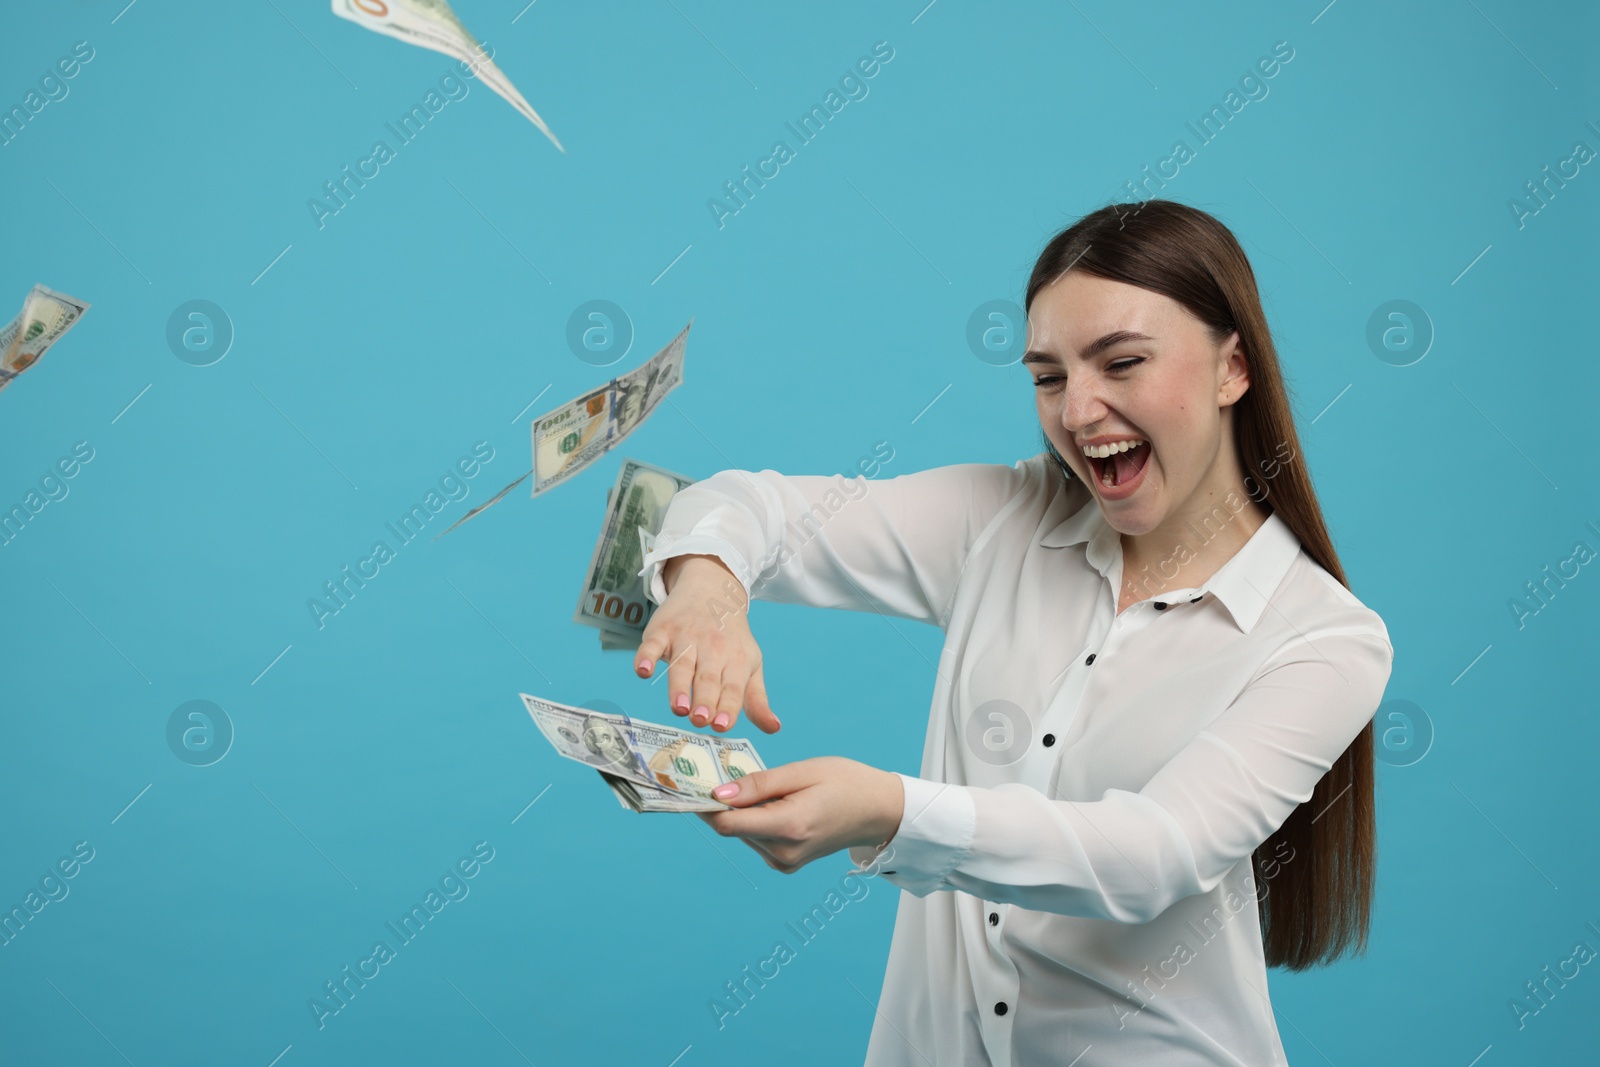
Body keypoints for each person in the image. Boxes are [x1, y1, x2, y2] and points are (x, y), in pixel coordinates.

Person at [632, 199, 1394, 1066]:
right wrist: (708, 590)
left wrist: (890, 809)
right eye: (1048, 376)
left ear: (1234, 367)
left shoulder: (1327, 640)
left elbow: (1153, 854)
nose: (1078, 410)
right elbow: (742, 502)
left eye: (1123, 362)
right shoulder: (1004, 521)